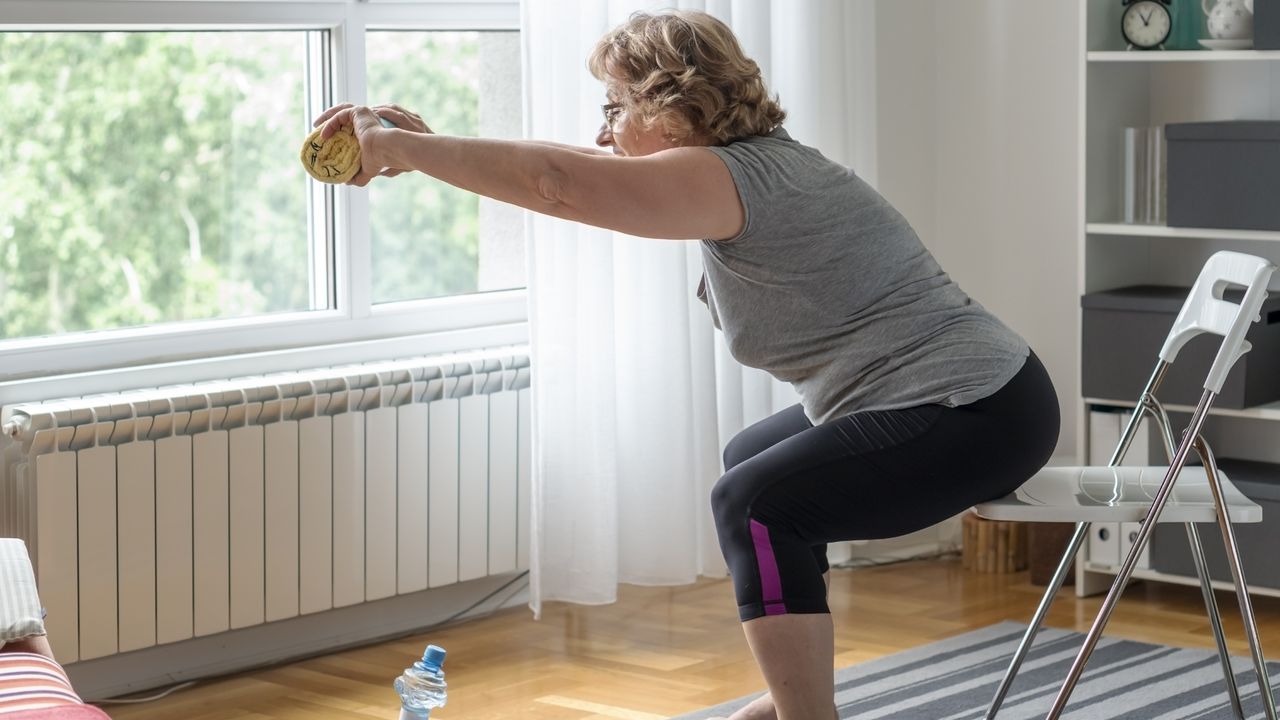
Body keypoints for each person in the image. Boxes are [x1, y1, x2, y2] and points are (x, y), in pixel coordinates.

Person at [313, 9, 1060, 720]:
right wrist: (428, 146)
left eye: (614, 107)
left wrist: (401, 149)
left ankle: (806, 713)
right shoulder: (749, 166)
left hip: (976, 410)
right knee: (753, 459)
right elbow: (563, 168)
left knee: (758, 501)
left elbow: (559, 181)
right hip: (982, 398)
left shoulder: (730, 177)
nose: (602, 132)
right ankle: (796, 692)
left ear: (668, 107)